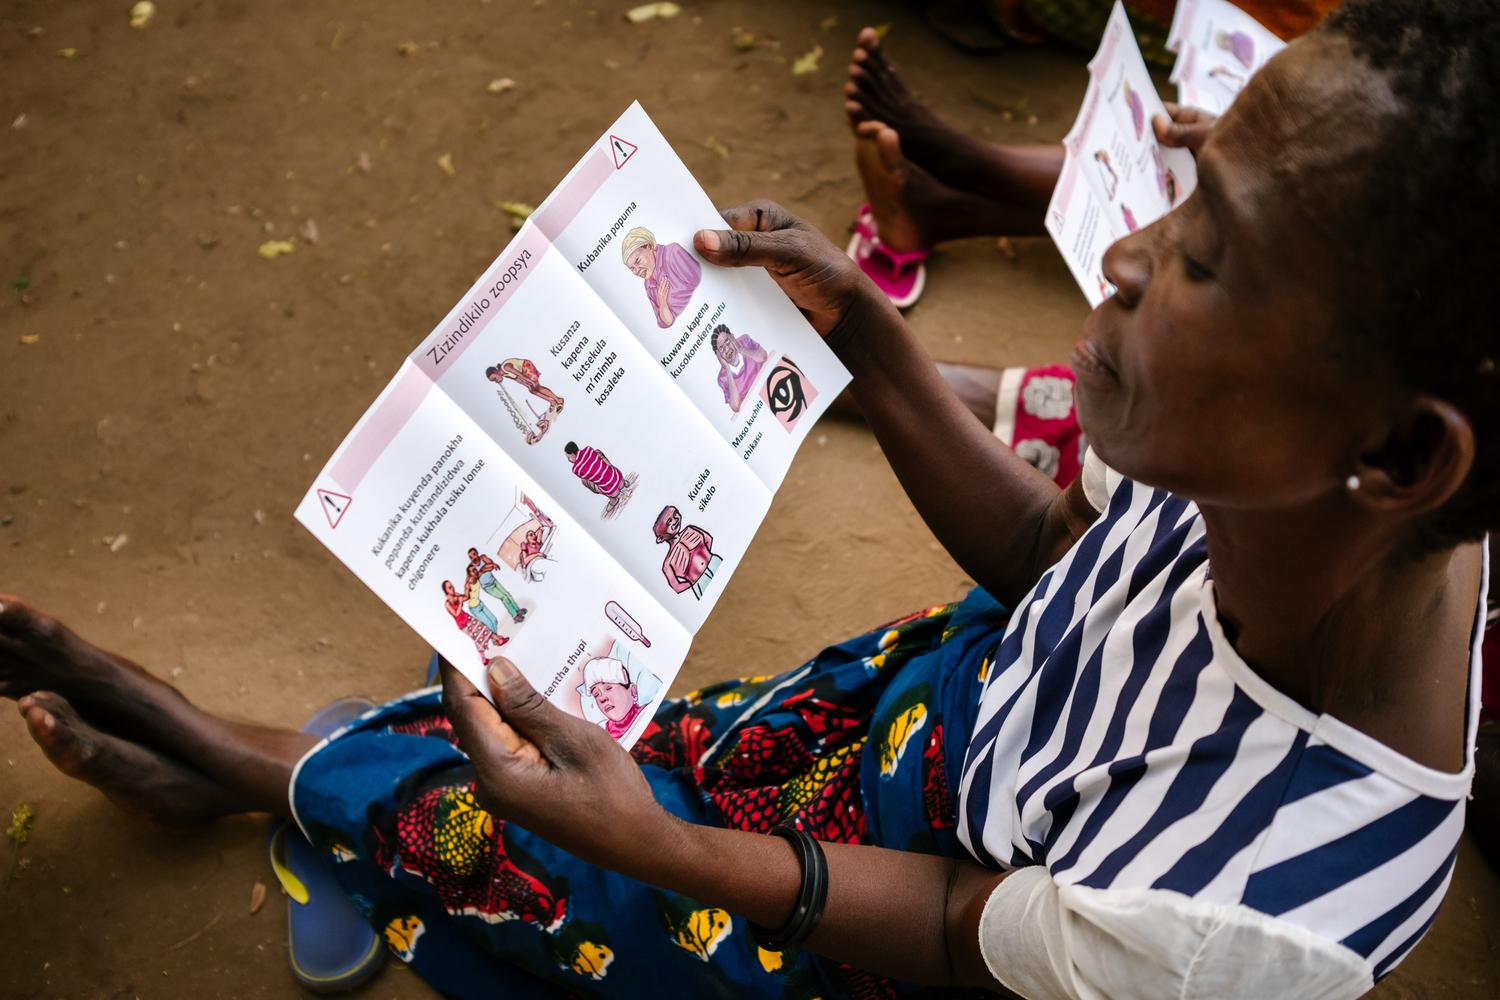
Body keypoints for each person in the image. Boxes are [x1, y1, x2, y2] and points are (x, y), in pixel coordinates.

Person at [3, 4, 1495, 997]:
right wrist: (875, 348)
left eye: (1206, 255)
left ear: (1401, 457)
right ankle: (315, 779)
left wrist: (660, 852)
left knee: (556, 850)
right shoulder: (1298, 489)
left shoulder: (1243, 923)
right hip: (941, 713)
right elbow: (1062, 560)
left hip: (874, 921)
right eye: (1181, 184)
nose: (1119, 255)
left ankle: (245, 760)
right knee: (656, 739)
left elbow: (938, 924)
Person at [620, 226, 702, 328]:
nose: (637, 270)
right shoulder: (648, 285)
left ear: (649, 246)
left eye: (638, 261)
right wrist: (663, 302)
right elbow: (665, 322)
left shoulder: (672, 253)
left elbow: (700, 281)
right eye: (632, 268)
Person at [652, 505, 722, 599]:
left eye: (675, 514)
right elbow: (676, 587)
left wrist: (707, 556)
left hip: (715, 562)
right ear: (660, 538)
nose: (675, 520)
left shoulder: (690, 529)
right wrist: (693, 582)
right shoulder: (668, 563)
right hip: (701, 583)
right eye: (669, 522)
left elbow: (708, 539)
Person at [441, 579, 507, 664]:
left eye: (452, 586)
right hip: (463, 624)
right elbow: (456, 614)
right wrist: (460, 603)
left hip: (467, 618)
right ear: (446, 590)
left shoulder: (456, 595)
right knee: (477, 638)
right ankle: (483, 659)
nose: (452, 588)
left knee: (483, 628)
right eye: (450, 587)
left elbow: (466, 597)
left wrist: (466, 588)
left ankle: (499, 640)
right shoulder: (447, 604)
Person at [581, 656, 646, 741]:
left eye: (608, 688)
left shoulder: (650, 712)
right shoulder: (604, 740)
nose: (602, 698)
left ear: (633, 691)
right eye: (596, 694)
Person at [710, 324, 769, 413]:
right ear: (718, 356)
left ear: (733, 337)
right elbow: (736, 407)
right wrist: (727, 368)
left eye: (727, 341)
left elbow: (764, 357)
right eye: (721, 348)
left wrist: (741, 349)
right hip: (755, 407)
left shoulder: (745, 340)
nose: (727, 349)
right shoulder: (722, 378)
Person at [466, 548, 526, 624]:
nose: (473, 558)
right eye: (471, 557)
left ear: (477, 553)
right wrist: (485, 568)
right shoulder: (471, 568)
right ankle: (514, 616)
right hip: (487, 586)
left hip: (493, 580)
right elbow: (480, 573)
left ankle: (518, 610)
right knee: (503, 597)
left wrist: (485, 569)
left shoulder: (483, 557)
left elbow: (491, 566)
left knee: (507, 594)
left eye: (474, 554)